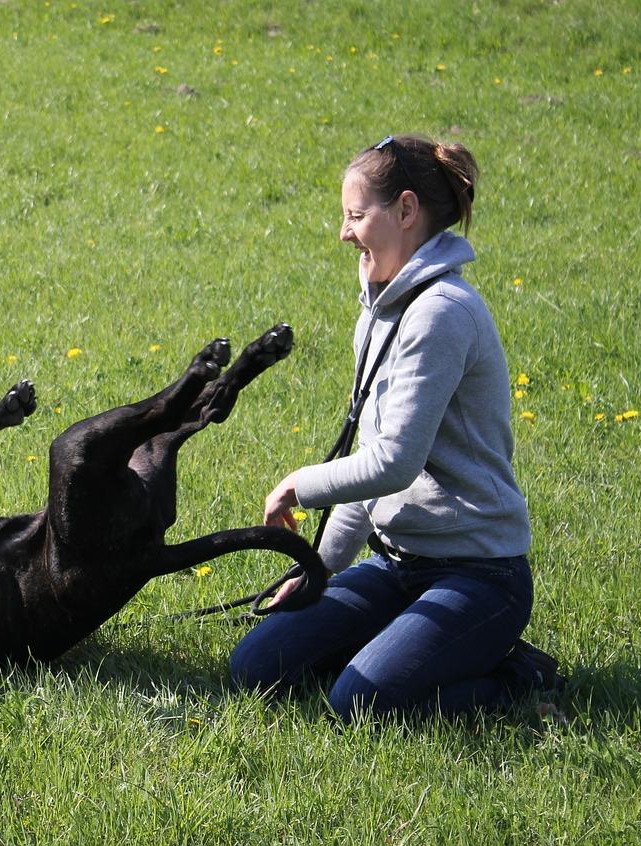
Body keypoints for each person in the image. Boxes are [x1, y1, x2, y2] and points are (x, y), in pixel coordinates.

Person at [229, 134, 559, 720]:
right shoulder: (380, 310)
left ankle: (517, 677)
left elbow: (395, 463)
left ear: (406, 211)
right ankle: (407, 646)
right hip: (395, 563)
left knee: (362, 702)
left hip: (480, 577)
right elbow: (373, 461)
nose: (344, 233)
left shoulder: (442, 313)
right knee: (256, 667)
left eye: (356, 215)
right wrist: (320, 570)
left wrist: (298, 483)